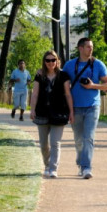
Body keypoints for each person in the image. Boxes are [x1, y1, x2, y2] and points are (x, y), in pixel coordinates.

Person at [61, 38, 107, 179]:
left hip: (92, 106)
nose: (91, 49)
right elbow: (63, 85)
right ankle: (81, 162)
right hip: (75, 107)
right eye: (88, 47)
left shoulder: (98, 64)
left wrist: (93, 86)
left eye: (92, 47)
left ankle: (86, 167)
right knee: (78, 139)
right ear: (80, 48)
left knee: (88, 137)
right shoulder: (69, 65)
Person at [30, 50, 73, 178]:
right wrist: (32, 109)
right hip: (42, 112)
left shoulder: (63, 75)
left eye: (53, 60)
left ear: (57, 61)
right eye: (48, 60)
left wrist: (71, 112)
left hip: (59, 112)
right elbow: (35, 93)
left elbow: (68, 94)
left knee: (55, 143)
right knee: (43, 144)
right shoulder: (39, 75)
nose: (50, 63)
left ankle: (53, 168)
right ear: (44, 62)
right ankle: (47, 165)